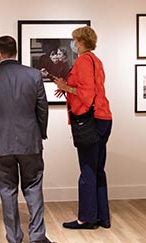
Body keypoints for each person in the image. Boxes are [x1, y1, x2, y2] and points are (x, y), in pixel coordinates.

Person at [0, 36, 57, 243]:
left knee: (7, 191)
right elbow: (42, 108)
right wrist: (41, 133)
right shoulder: (33, 75)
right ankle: (37, 239)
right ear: (16, 52)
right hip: (30, 141)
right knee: (34, 187)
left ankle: (14, 241)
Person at [54, 26, 113, 230]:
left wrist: (65, 88)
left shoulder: (82, 61)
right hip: (103, 118)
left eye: (74, 40)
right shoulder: (96, 61)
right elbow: (92, 90)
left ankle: (87, 218)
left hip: (91, 121)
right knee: (98, 169)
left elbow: (86, 95)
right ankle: (102, 217)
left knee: (87, 170)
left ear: (80, 41)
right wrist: (69, 91)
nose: (73, 43)